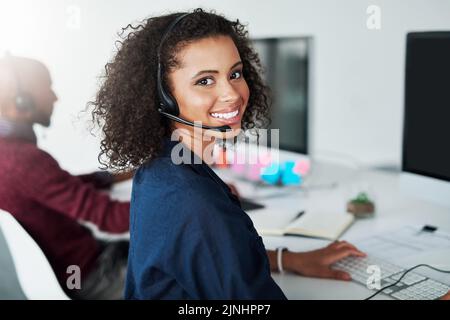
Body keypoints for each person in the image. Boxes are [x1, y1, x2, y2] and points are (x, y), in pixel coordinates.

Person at [90, 9, 374, 300]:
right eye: (205, 81)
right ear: (162, 96)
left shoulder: (164, 166)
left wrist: (287, 260)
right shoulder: (192, 199)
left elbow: (214, 253)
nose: (233, 94)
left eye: (235, 74)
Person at [0, 55, 132, 299]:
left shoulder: (7, 155)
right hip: (95, 276)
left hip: (89, 264)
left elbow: (61, 187)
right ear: (22, 100)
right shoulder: (22, 161)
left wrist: (123, 174)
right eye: (47, 87)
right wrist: (184, 204)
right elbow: (110, 217)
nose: (55, 97)